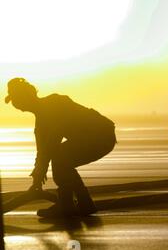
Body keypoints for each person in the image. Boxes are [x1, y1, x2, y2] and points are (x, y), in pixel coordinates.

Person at [5, 78, 116, 217]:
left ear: (26, 96)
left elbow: (51, 143)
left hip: (102, 136)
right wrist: (37, 175)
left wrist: (40, 171)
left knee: (60, 158)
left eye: (15, 99)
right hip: (92, 139)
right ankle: (77, 204)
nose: (15, 104)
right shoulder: (40, 124)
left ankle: (70, 205)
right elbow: (42, 151)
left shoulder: (54, 103)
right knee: (61, 159)